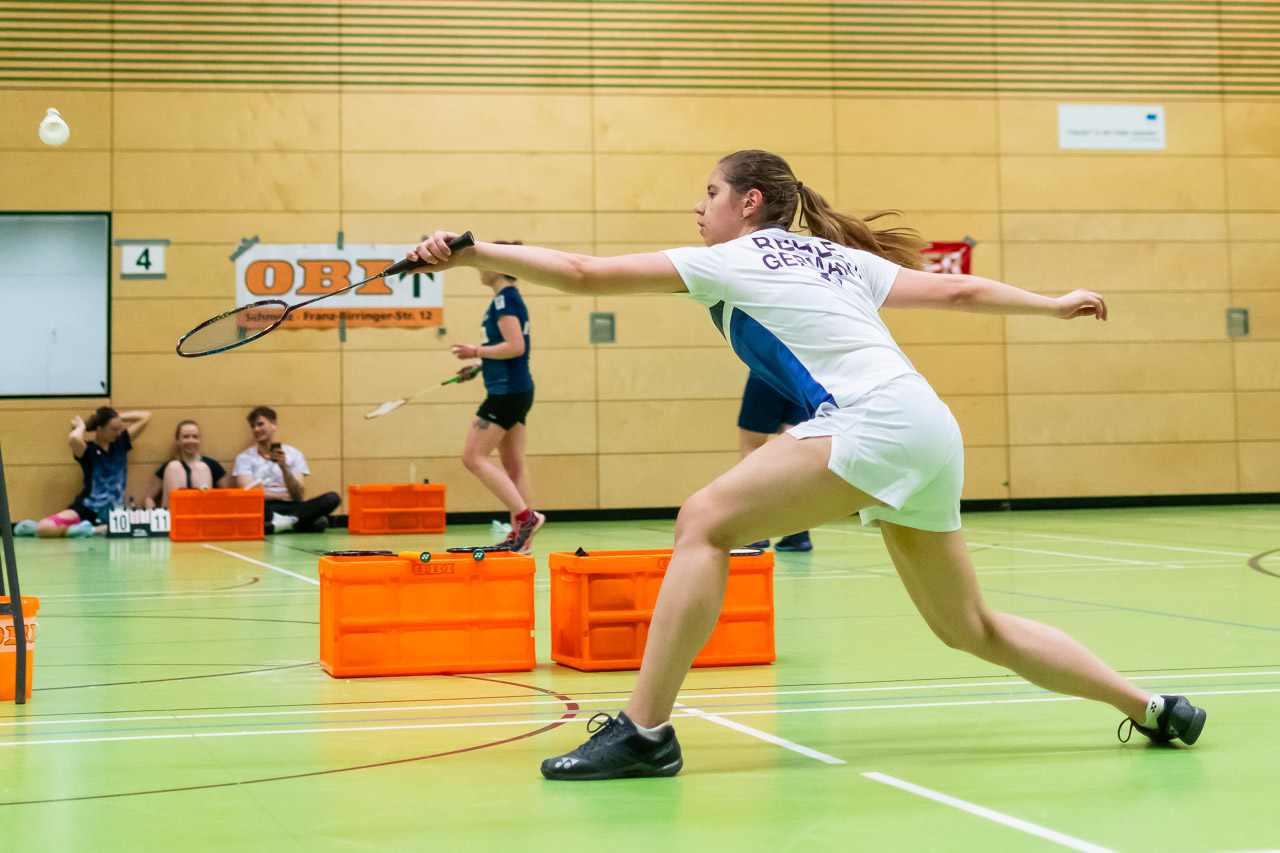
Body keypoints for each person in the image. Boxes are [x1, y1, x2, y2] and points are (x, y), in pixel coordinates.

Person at [405, 148, 1207, 781]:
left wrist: (471, 250)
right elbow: (958, 294)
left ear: (749, 202)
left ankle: (644, 731)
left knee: (703, 520)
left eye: (710, 193)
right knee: (969, 626)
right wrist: (1049, 304)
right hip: (929, 427)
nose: (698, 207)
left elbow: (583, 274)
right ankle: (1152, 706)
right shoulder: (835, 259)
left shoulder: (732, 260)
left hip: (872, 421)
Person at [449, 240, 544, 555]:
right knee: (513, 466)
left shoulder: (505, 300)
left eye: (484, 261)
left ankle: (526, 519)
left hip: (506, 392)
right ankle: (521, 539)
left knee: (473, 458)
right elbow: (509, 349)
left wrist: (475, 351)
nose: (479, 267)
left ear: (500, 267)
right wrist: (479, 365)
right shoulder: (509, 298)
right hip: (516, 389)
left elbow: (515, 346)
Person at [22, 407, 151, 538]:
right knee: (44, 528)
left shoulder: (121, 443)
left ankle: (88, 530)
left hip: (113, 510)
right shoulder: (88, 450)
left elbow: (145, 416)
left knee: (130, 524)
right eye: (113, 429)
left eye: (119, 428)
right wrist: (81, 427)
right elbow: (73, 438)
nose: (118, 433)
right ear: (100, 429)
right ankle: (85, 530)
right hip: (88, 506)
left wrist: (116, 418)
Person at [232, 406, 339, 533]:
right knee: (319, 522)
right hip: (264, 507)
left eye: (260, 424)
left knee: (332, 498)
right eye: (253, 426)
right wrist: (279, 495)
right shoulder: (244, 458)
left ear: (273, 424)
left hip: (292, 506)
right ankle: (295, 522)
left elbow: (298, 495)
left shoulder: (294, 454)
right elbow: (247, 494)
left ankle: (278, 525)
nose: (256, 429)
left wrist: (284, 468)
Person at [737, 371, 812, 552]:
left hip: (766, 372)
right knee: (795, 453)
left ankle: (757, 532)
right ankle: (798, 531)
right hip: (802, 374)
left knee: (751, 449)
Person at [143, 420, 231, 509]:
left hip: (202, 512)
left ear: (200, 439)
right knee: (174, 467)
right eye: (186, 437)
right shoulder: (168, 467)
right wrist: (153, 513)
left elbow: (228, 496)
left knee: (201, 467)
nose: (191, 441)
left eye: (195, 437)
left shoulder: (212, 465)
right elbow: (149, 498)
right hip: (174, 513)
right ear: (177, 440)